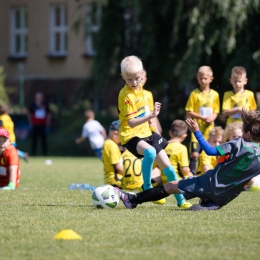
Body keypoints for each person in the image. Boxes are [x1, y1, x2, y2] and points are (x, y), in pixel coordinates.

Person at [117, 109, 260, 211]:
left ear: (248, 134)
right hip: (225, 196)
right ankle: (210, 203)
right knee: (204, 199)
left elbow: (210, 151)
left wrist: (196, 131)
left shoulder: (239, 143)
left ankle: (132, 200)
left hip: (209, 183)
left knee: (171, 186)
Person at [117, 55, 191, 209]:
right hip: (131, 136)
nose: (134, 83)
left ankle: (181, 201)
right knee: (150, 152)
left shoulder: (144, 92)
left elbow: (147, 116)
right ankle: (147, 186)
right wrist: (150, 116)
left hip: (147, 134)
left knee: (169, 168)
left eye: (137, 78)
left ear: (142, 75)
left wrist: (155, 131)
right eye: (129, 80)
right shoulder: (125, 95)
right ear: (122, 77)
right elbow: (131, 123)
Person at [185, 66, 220, 175]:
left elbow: (216, 111)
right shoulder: (194, 94)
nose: (203, 81)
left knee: (210, 153)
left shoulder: (215, 94)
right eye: (200, 78)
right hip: (196, 129)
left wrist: (212, 118)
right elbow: (189, 111)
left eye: (205, 78)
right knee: (195, 155)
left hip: (210, 131)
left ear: (211, 79)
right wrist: (203, 118)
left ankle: (212, 175)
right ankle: (193, 176)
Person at [102, 120, 123, 188]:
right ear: (115, 133)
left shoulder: (110, 143)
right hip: (115, 180)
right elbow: (118, 167)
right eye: (122, 134)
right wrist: (132, 176)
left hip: (112, 179)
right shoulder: (111, 145)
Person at [141, 70, 162, 134]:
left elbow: (151, 112)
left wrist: (157, 129)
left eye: (141, 79)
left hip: (148, 125)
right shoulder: (130, 95)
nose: (139, 81)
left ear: (145, 79)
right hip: (138, 125)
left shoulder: (148, 94)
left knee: (159, 131)